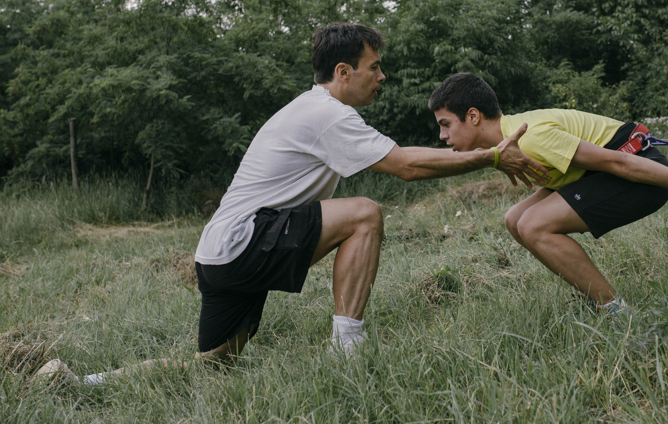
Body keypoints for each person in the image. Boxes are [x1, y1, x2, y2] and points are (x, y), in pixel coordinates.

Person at [35, 25, 548, 385]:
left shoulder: (315, 110)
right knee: (365, 213)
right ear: (344, 71)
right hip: (242, 242)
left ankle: (87, 383)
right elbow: (406, 167)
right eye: (375, 66)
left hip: (216, 256)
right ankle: (348, 350)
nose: (382, 76)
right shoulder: (327, 114)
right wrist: (491, 155)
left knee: (214, 363)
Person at [427, 72, 668, 313]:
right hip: (605, 172)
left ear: (472, 116)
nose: (442, 135)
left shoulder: (530, 137)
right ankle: (592, 296)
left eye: (445, 124)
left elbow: (619, 162)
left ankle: (617, 312)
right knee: (514, 219)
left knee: (533, 225)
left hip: (640, 170)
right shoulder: (507, 141)